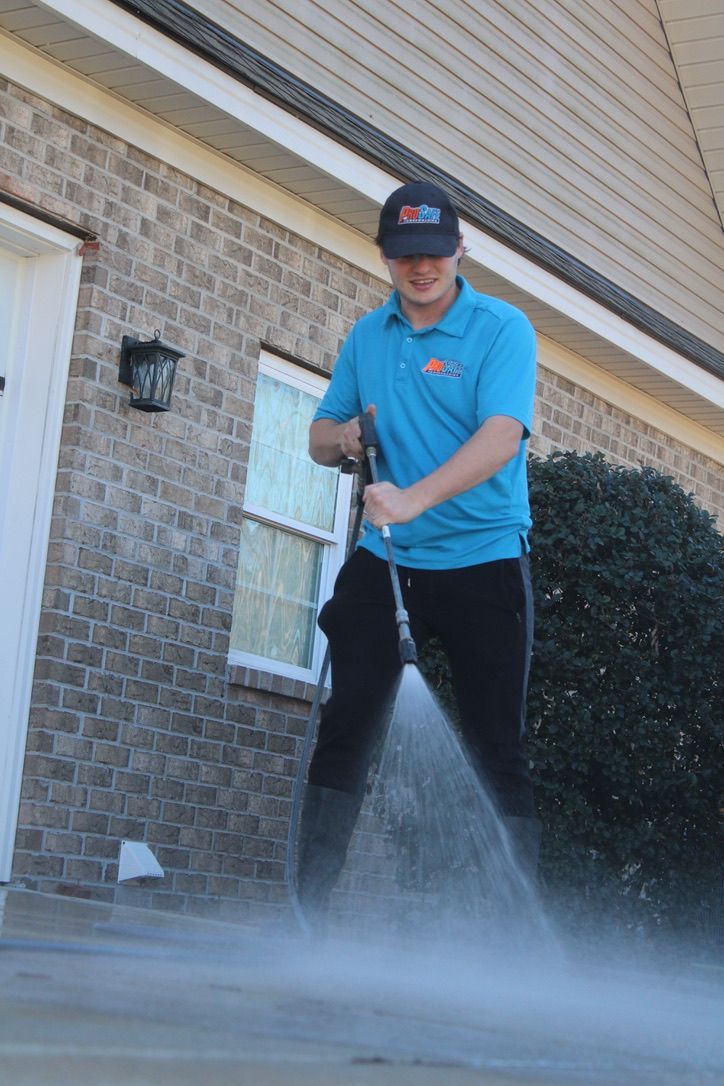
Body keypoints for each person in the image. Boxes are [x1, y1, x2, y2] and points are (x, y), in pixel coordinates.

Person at [296, 180, 539, 925]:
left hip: (483, 560)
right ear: (385, 257)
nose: (422, 268)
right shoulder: (369, 338)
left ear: (460, 250)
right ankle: (307, 915)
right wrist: (338, 440)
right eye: (406, 257)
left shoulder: (502, 329)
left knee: (497, 741)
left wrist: (412, 499)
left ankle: (508, 936)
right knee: (348, 721)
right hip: (389, 561)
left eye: (434, 253)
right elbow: (317, 434)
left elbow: (501, 436)